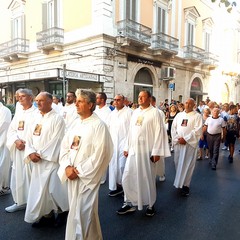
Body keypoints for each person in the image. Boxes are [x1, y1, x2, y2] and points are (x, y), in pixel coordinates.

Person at [58, 89, 113, 240]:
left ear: (90, 104)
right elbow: (64, 147)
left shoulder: (99, 125)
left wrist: (79, 171)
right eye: (76, 100)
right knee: (80, 212)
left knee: (81, 214)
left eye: (80, 101)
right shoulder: (75, 123)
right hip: (72, 175)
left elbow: (101, 154)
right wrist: (67, 167)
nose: (76, 103)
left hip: (86, 178)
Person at [117, 90, 170, 216]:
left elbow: (159, 133)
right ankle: (129, 202)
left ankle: (150, 205)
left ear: (149, 98)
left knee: (147, 178)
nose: (140, 99)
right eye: (139, 96)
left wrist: (157, 152)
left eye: (143, 97)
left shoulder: (155, 113)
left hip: (148, 152)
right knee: (128, 177)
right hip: (134, 151)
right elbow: (130, 131)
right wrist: (127, 147)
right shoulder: (135, 112)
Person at [24, 92, 68, 227]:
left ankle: (62, 213)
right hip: (37, 162)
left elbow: (57, 140)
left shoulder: (57, 119)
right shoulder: (35, 117)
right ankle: (46, 215)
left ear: (50, 102)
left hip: (51, 161)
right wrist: (31, 152)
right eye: (37, 101)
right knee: (39, 190)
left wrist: (40, 155)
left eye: (41, 101)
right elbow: (28, 137)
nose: (38, 103)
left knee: (54, 189)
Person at [5, 89, 37, 212]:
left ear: (30, 98)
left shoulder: (36, 113)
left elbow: (38, 132)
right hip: (18, 150)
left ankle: (33, 202)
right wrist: (16, 141)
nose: (20, 99)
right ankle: (19, 201)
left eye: (23, 96)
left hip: (30, 150)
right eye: (18, 97)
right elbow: (12, 130)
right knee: (18, 175)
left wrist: (27, 144)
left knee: (31, 176)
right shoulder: (19, 113)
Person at [171, 98, 202, 196]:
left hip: (189, 145)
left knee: (188, 164)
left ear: (194, 105)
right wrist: (177, 138)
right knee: (177, 162)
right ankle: (179, 182)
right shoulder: (179, 115)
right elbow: (173, 128)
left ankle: (186, 185)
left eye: (190, 103)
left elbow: (197, 130)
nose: (187, 105)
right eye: (186, 103)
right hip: (179, 143)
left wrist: (186, 139)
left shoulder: (197, 116)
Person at [108, 94, 132, 197]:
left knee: (123, 166)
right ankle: (117, 186)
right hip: (114, 144)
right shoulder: (112, 114)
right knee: (113, 166)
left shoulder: (130, 113)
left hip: (125, 144)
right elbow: (108, 129)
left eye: (118, 100)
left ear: (124, 101)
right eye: (115, 100)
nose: (116, 102)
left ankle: (126, 187)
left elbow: (132, 131)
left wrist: (128, 146)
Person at [94, 92, 111, 184]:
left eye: (97, 98)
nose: (96, 99)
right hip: (93, 135)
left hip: (102, 135)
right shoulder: (95, 110)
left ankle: (102, 177)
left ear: (102, 100)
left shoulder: (108, 111)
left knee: (102, 157)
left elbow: (107, 126)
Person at [151, 96, 169, 182]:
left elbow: (161, 126)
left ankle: (161, 174)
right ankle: (152, 175)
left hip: (157, 137)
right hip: (148, 140)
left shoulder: (159, 112)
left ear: (154, 103)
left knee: (159, 158)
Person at [0, 102, 12, 196]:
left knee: (2, 164)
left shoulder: (5, 111)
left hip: (2, 141)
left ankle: (3, 187)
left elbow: (3, 126)